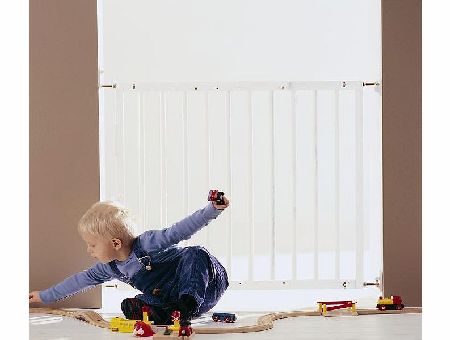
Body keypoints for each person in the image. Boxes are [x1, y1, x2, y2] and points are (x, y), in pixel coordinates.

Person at [29, 195, 230, 327]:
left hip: (204, 287)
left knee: (195, 253)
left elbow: (180, 230)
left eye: (92, 245)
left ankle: (185, 306)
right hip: (172, 301)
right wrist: (44, 296)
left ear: (115, 243)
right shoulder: (109, 268)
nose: (89, 250)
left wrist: (212, 210)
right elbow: (79, 281)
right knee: (133, 304)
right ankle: (171, 313)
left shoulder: (148, 244)